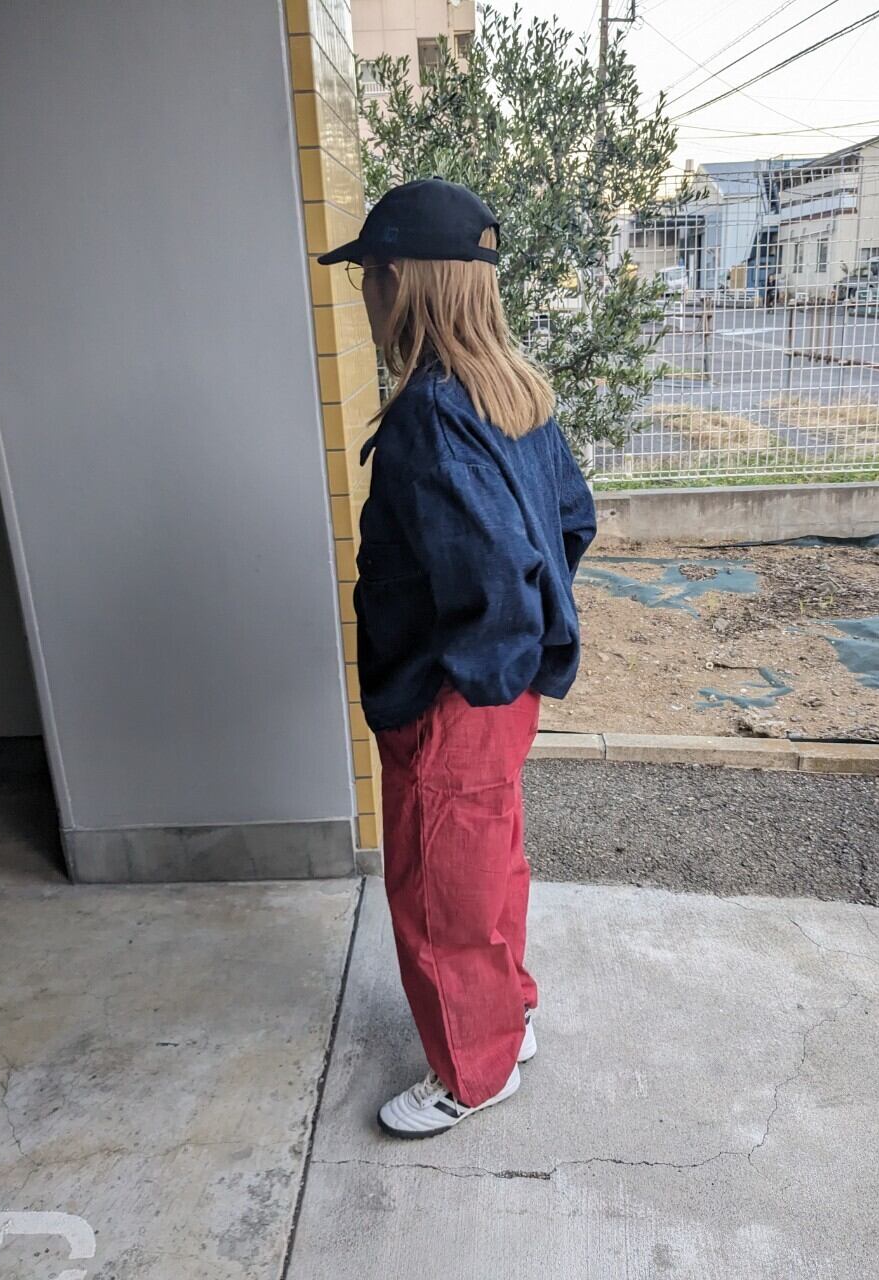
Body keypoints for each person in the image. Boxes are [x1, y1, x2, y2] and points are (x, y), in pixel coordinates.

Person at [318, 178, 596, 1139]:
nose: (362, 294)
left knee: (439, 892)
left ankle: (475, 1072)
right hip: (500, 696)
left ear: (398, 280)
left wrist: (469, 676)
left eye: (365, 275)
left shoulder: (430, 416)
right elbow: (571, 521)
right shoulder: (517, 392)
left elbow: (491, 569)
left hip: (454, 699)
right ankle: (507, 1014)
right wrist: (517, 657)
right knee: (489, 865)